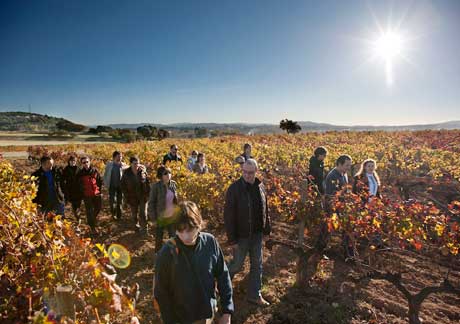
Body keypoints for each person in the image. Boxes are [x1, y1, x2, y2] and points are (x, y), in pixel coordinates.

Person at [154, 201, 234, 324]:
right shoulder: (166, 254)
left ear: (199, 224)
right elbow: (161, 293)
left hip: (209, 315)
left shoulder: (210, 243)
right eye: (180, 231)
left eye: (190, 230)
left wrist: (227, 311)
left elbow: (223, 276)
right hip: (181, 320)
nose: (186, 236)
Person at [224, 159, 271, 306]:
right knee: (237, 265)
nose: (247, 175)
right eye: (244, 172)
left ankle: (254, 295)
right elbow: (228, 216)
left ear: (256, 172)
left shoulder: (260, 186)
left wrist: (267, 229)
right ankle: (221, 285)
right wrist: (232, 240)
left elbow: (265, 209)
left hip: (257, 234)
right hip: (241, 236)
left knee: (257, 265)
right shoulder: (234, 189)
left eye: (250, 172)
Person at [323, 155, 354, 259]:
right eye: (347, 165)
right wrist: (335, 210)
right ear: (339, 164)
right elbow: (332, 196)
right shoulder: (333, 176)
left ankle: (347, 253)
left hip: (341, 206)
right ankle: (321, 250)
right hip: (333, 207)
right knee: (328, 229)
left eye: (350, 165)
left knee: (345, 228)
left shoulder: (343, 174)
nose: (348, 167)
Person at [148, 166, 178, 252]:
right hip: (160, 216)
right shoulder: (156, 186)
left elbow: (176, 201)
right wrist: (153, 218)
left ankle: (173, 254)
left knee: (173, 236)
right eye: (165, 173)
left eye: (169, 173)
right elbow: (151, 203)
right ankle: (158, 254)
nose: (168, 175)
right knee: (159, 237)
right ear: (160, 175)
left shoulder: (174, 184)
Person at [121, 156, 150, 232]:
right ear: (130, 164)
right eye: (135, 163)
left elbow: (147, 183)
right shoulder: (126, 173)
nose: (137, 165)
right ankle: (136, 226)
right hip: (132, 197)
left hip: (142, 196)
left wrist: (148, 194)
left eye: (138, 163)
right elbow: (122, 185)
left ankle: (144, 228)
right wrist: (126, 195)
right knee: (134, 214)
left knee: (143, 213)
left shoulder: (143, 172)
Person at [77, 156, 103, 235]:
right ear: (82, 164)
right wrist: (82, 192)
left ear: (89, 162)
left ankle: (92, 220)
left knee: (98, 208)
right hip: (87, 195)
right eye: (84, 162)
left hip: (96, 194)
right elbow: (78, 184)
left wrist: (99, 190)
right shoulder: (80, 173)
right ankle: (92, 226)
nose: (86, 164)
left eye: (87, 162)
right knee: (89, 211)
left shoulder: (94, 171)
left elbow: (99, 180)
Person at [103, 151, 126, 220]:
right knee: (112, 201)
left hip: (120, 186)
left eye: (121, 156)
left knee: (120, 202)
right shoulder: (109, 165)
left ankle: (119, 216)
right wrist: (105, 183)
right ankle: (113, 214)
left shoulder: (124, 165)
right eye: (118, 156)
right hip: (112, 186)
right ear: (114, 157)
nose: (120, 158)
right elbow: (105, 174)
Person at [62, 155, 82, 221]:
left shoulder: (79, 169)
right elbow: (63, 180)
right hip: (70, 190)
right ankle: (77, 217)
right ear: (69, 161)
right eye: (71, 161)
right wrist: (65, 190)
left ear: (76, 162)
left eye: (74, 161)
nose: (73, 162)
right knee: (74, 205)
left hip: (78, 190)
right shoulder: (66, 169)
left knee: (78, 205)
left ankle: (78, 216)